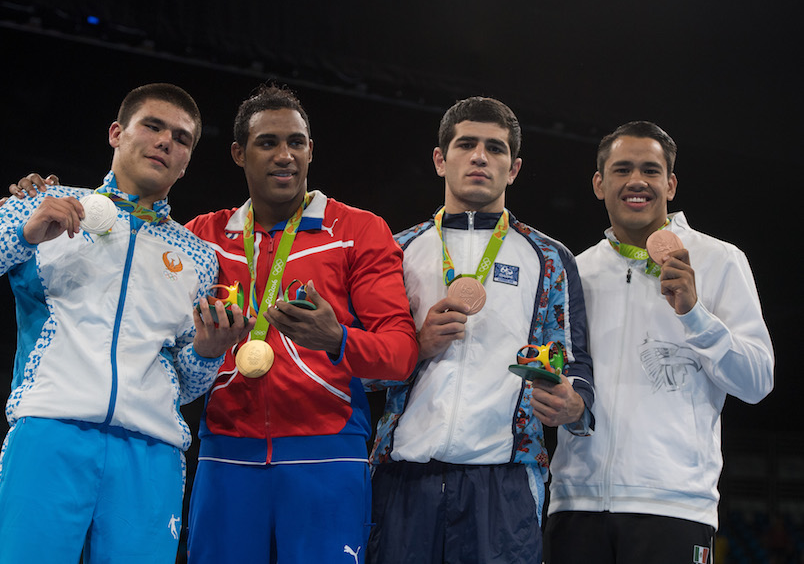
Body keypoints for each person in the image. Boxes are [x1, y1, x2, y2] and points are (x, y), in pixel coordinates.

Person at [0, 83, 253, 563]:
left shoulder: (198, 257)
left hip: (152, 453)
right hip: (49, 432)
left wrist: (208, 352)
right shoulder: (44, 204)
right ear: (116, 133)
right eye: (152, 126)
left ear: (187, 161)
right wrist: (23, 235)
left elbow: (186, 384)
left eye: (182, 138)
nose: (165, 141)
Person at [182, 85, 419, 563]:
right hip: (226, 454)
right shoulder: (203, 237)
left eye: (296, 142)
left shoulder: (357, 232)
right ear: (239, 153)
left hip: (328, 455)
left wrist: (337, 339)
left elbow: (401, 354)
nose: (284, 155)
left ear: (311, 150)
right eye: (267, 143)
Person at [366, 96, 595, 564]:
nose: (479, 157)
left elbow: (575, 362)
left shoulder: (549, 259)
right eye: (466, 144)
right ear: (440, 159)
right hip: (405, 474)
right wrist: (416, 346)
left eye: (495, 148)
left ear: (514, 169)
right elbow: (362, 366)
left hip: (505, 480)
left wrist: (576, 405)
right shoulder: (395, 251)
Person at [544, 121, 775, 563]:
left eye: (650, 170)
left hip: (674, 505)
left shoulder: (720, 260)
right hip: (575, 504)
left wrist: (695, 314)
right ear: (599, 184)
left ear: (670, 184)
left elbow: (757, 381)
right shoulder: (576, 271)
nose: (637, 180)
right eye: (622, 169)